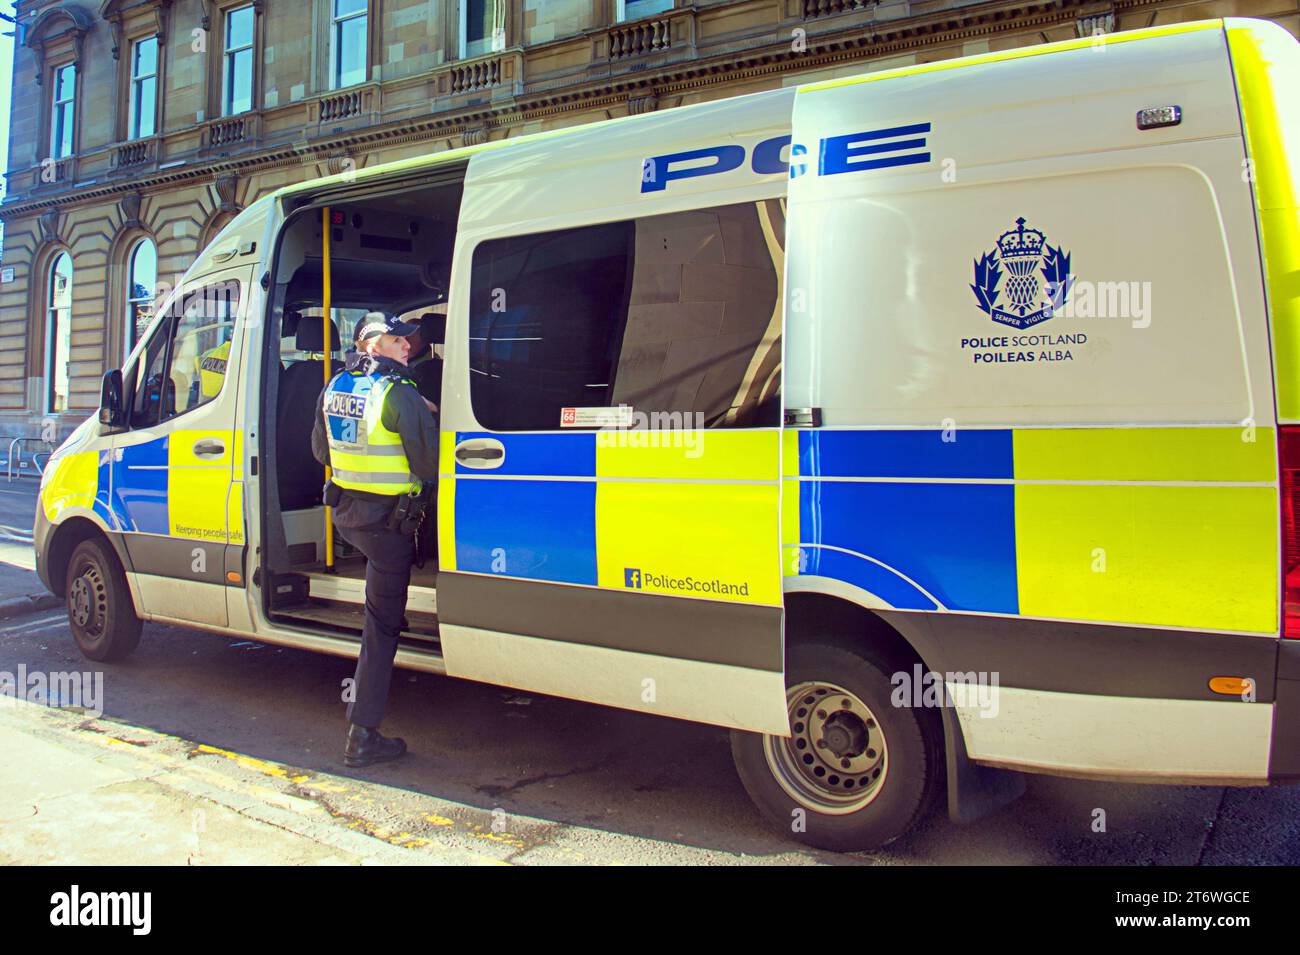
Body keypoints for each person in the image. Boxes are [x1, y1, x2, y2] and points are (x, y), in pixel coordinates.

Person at [311, 311, 439, 768]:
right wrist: (426, 418)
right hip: (389, 527)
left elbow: (320, 451)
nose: (408, 345)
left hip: (348, 520)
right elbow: (430, 466)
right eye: (396, 340)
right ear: (370, 346)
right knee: (380, 629)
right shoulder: (398, 393)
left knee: (378, 615)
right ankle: (362, 735)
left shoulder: (335, 387)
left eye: (408, 339)